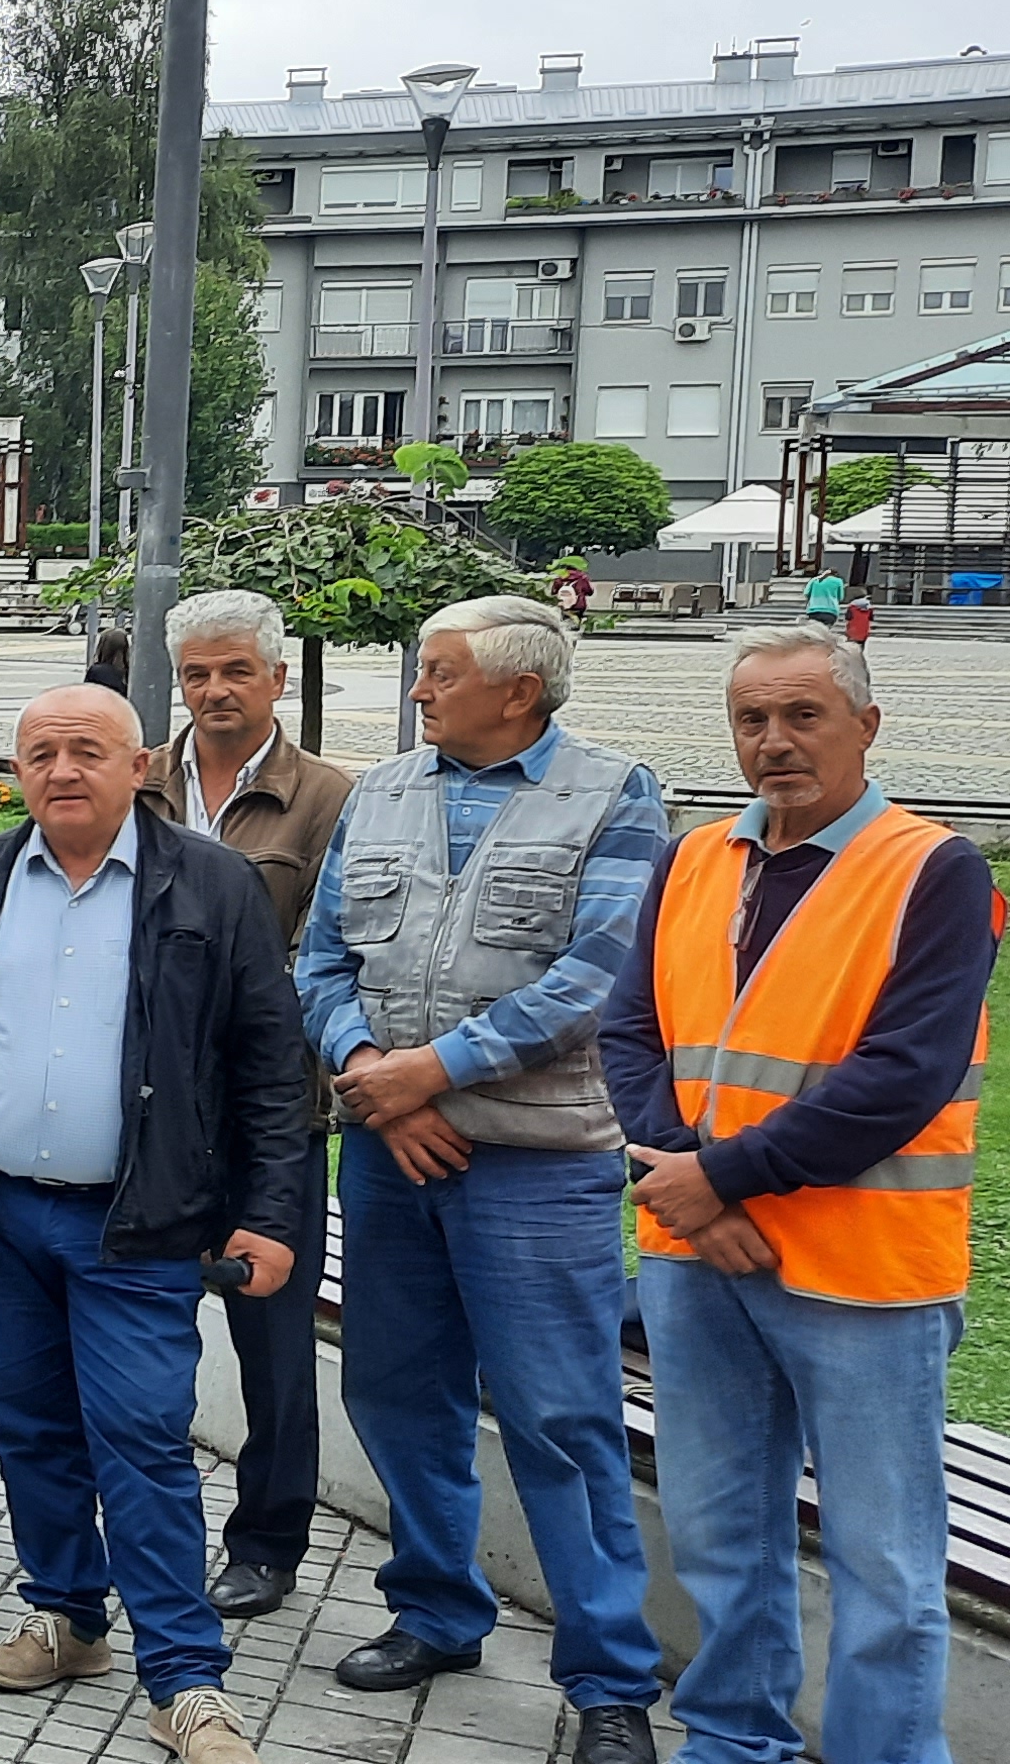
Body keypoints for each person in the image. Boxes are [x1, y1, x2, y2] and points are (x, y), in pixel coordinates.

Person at [0, 684, 308, 1764]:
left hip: (139, 1224)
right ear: (15, 771)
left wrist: (271, 1214)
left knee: (142, 1444)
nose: (61, 771)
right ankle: (67, 1617)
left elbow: (268, 1065)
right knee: (28, 1428)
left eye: (85, 751)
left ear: (137, 763)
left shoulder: (211, 884)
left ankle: (184, 1681)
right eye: (39, 754)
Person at [603, 625, 997, 1764]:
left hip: (861, 1277)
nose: (773, 743)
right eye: (750, 720)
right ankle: (731, 1742)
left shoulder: (933, 869)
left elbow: (903, 1076)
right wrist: (691, 1190)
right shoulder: (692, 860)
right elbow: (631, 1036)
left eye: (802, 716)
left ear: (865, 727)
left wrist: (714, 1180)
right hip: (695, 1263)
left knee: (886, 1568)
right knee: (723, 1539)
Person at [294, 595, 667, 1758]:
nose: (415, 691)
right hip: (391, 1153)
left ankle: (608, 1681)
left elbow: (597, 980)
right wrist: (371, 1078)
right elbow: (321, 962)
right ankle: (435, 1610)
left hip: (536, 1167)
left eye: (437, 673)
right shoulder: (384, 792)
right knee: (398, 1395)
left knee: (560, 1418)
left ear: (518, 689)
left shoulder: (614, 796)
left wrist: (428, 1075)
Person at [134, 590, 353, 1622]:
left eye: (234, 672)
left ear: (275, 678)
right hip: (142, 1116)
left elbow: (325, 957)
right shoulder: (138, 788)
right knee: (140, 1331)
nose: (214, 691)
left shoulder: (329, 801)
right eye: (196, 674)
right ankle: (143, 1522)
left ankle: (267, 1541)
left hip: (270, 1118)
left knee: (270, 1344)